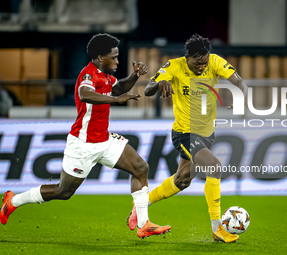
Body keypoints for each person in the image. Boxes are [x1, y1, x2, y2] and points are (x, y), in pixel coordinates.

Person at [0, 33, 171, 239]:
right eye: (114, 57)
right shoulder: (88, 75)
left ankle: (144, 224)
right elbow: (84, 94)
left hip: (104, 140)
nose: (117, 61)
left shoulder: (106, 76)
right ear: (100, 58)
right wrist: (116, 100)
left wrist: (134, 76)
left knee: (140, 167)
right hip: (83, 143)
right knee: (63, 192)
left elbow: (118, 87)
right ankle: (13, 201)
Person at [127, 34, 248, 243]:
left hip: (207, 134)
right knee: (214, 166)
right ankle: (217, 227)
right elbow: (147, 90)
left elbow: (240, 83)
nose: (202, 67)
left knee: (182, 180)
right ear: (188, 57)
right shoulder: (174, 66)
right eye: (197, 63)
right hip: (184, 133)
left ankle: (141, 206)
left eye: (204, 62)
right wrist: (161, 82)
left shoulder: (216, 62)